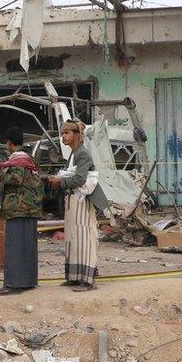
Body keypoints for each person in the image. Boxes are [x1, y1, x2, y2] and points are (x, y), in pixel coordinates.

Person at [47, 120, 108, 292]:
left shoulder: (82, 154)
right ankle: (74, 277)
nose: (63, 136)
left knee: (83, 240)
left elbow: (80, 179)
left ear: (76, 134)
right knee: (72, 239)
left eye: (66, 132)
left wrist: (61, 181)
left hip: (81, 202)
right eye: (62, 133)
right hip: (72, 202)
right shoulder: (74, 154)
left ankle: (87, 280)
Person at [0, 127, 42, 296]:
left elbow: (16, 179)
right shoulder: (27, 158)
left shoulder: (18, 160)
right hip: (29, 208)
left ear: (9, 143)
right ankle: (28, 281)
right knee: (27, 246)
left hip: (18, 208)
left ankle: (15, 284)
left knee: (14, 247)